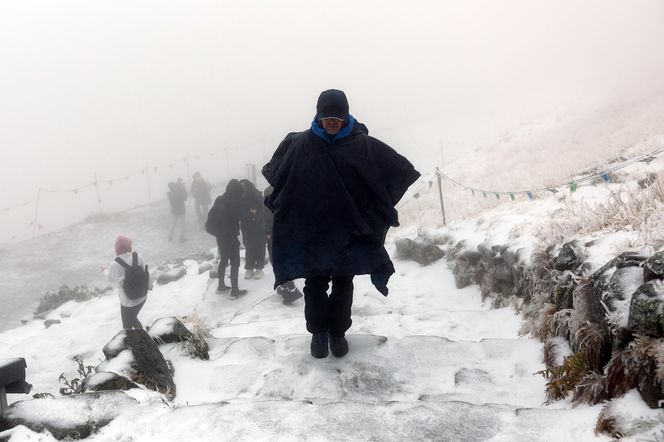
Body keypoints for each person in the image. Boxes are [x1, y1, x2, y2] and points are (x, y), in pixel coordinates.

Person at [262, 89, 420, 359]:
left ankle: (338, 333)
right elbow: (280, 179)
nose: (331, 122)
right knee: (315, 285)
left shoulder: (362, 145)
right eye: (326, 117)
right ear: (319, 117)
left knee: (343, 284)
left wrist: (372, 211)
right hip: (313, 231)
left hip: (349, 230)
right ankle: (318, 333)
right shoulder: (300, 145)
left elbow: (398, 172)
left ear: (345, 116)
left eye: (337, 117)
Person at [207, 179, 248, 298]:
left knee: (224, 260)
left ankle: (221, 286)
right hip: (230, 236)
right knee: (235, 262)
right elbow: (241, 217)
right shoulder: (234, 203)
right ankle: (235, 291)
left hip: (220, 236)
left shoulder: (220, 199)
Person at [263, 185, 303, 305]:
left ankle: (290, 289)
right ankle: (283, 287)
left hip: (275, 230)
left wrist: (267, 231)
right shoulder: (289, 186)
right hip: (288, 229)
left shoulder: (269, 190)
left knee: (276, 259)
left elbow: (267, 213)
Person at [102, 235, 148, 329]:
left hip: (128, 302)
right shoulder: (138, 256)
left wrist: (104, 270)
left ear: (117, 250)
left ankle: (141, 340)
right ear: (129, 246)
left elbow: (110, 278)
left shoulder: (115, 264)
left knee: (127, 328)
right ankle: (143, 337)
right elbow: (144, 271)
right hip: (142, 297)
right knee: (133, 318)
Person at [239, 179, 267, 280]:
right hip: (247, 226)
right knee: (249, 247)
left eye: (243, 185)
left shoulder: (256, 194)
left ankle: (259, 268)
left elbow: (264, 208)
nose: (242, 188)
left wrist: (256, 214)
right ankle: (249, 268)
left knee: (259, 246)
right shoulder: (240, 196)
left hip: (258, 225)